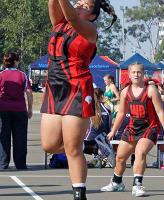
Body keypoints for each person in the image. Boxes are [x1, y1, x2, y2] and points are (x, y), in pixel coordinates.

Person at [40, 1, 117, 200]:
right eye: (78, 2)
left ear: (91, 16)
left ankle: (79, 193)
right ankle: (89, 145)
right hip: (54, 87)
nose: (79, 5)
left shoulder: (89, 29)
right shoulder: (59, 23)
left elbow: (73, 17)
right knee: (49, 145)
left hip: (76, 88)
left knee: (71, 148)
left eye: (85, 5)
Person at [100, 62, 164, 197]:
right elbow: (121, 113)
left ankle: (137, 185)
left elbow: (160, 112)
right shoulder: (125, 91)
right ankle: (117, 183)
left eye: (139, 72)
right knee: (120, 157)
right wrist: (113, 131)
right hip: (133, 127)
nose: (136, 74)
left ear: (143, 73)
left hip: (150, 127)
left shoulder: (151, 90)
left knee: (140, 152)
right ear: (129, 74)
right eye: (133, 72)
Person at [0, 52, 33, 170]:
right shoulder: (22, 75)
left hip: (3, 109)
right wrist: (30, 108)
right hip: (19, 109)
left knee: (4, 137)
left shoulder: (1, 75)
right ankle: (20, 164)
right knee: (20, 138)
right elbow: (28, 93)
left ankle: (3, 163)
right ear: (15, 61)